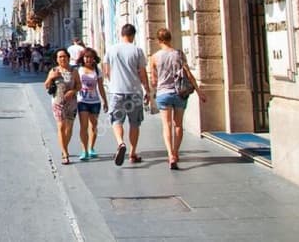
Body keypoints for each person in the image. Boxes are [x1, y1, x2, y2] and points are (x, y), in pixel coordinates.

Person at [151, 28, 206, 170]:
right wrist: (199, 92)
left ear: (158, 41)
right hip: (179, 93)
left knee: (166, 125)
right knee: (178, 125)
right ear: (170, 38)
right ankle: (176, 152)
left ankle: (170, 155)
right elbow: (188, 74)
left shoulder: (155, 57)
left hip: (163, 94)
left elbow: (153, 80)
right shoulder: (179, 54)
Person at [103, 24, 151, 166]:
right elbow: (142, 73)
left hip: (117, 91)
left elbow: (106, 71)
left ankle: (120, 142)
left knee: (117, 121)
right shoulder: (137, 50)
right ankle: (132, 153)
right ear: (133, 35)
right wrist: (147, 90)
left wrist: (113, 82)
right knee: (134, 123)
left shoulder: (111, 50)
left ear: (121, 34)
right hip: (134, 92)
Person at [45, 48, 81, 165]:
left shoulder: (74, 71)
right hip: (58, 102)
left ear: (68, 57)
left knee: (69, 128)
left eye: (64, 56)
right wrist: (51, 77)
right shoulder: (54, 70)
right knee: (61, 127)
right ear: (57, 59)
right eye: (60, 57)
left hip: (71, 102)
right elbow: (46, 86)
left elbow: (79, 85)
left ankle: (64, 146)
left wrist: (73, 91)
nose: (62, 59)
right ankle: (65, 153)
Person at [76, 48, 108, 161]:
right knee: (83, 126)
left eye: (90, 57)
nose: (88, 59)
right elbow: (75, 85)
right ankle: (84, 150)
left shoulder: (97, 70)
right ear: (82, 58)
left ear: (94, 58)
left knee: (94, 126)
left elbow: (101, 87)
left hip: (95, 101)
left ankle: (91, 148)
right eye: (86, 57)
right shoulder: (78, 70)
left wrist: (105, 101)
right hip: (82, 101)